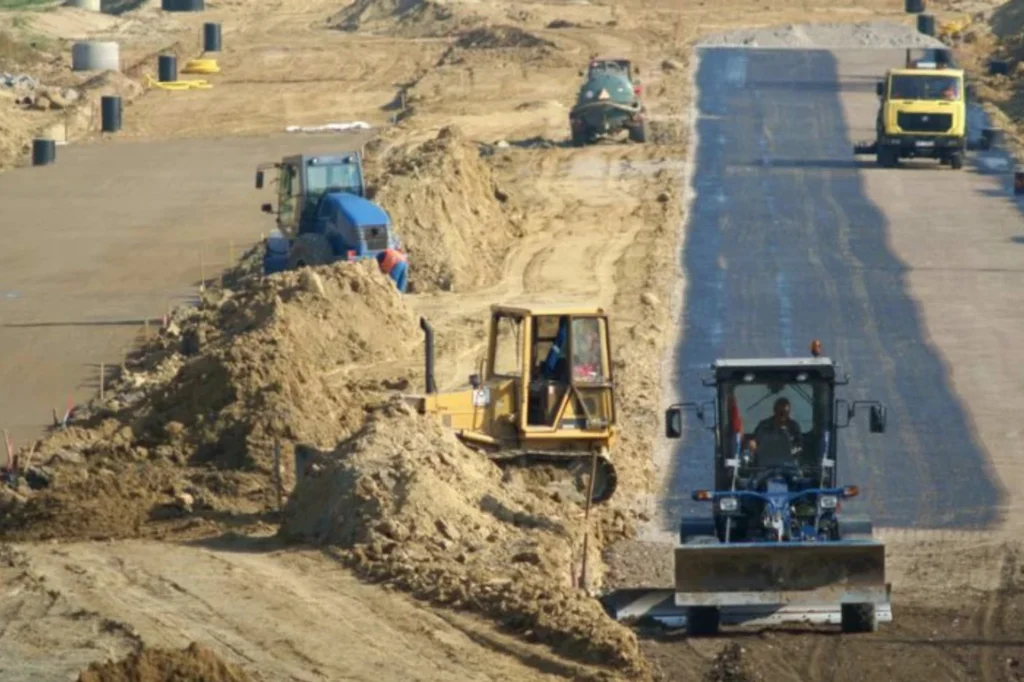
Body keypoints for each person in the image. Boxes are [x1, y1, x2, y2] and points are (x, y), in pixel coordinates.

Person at [749, 397, 803, 469]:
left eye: (785, 412)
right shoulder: (763, 425)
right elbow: (754, 441)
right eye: (780, 412)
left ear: (789, 412)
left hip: (788, 466)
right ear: (775, 411)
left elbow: (799, 446)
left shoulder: (793, 427)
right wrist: (753, 445)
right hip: (763, 466)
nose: (782, 415)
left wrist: (789, 452)